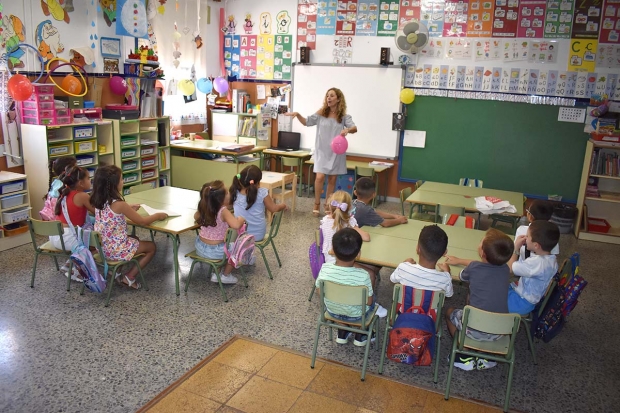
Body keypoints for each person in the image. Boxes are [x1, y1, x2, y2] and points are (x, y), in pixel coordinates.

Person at [444, 229, 514, 371]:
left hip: (473, 329)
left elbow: (463, 276)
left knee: (449, 312)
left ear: (482, 253)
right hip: (500, 331)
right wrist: (461, 260)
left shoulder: (474, 268)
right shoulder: (506, 269)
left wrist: (450, 268)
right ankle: (486, 356)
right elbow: (481, 265)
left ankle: (463, 353)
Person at [90, 165, 167, 290]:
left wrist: (128, 208)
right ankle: (129, 277)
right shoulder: (120, 204)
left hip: (102, 247)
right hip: (115, 249)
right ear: (114, 184)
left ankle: (116, 271)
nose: (123, 181)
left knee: (134, 237)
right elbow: (142, 221)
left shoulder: (98, 200)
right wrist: (157, 215)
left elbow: (111, 214)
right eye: (121, 179)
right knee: (152, 247)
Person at [285, 87, 357, 216]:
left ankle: (328, 204)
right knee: (320, 177)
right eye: (327, 96)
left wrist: (347, 130)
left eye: (332, 96)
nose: (328, 98)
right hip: (322, 151)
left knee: (332, 179)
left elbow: (354, 128)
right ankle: (317, 203)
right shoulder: (321, 113)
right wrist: (297, 115)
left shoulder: (343, 116)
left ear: (338, 99)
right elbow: (306, 122)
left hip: (336, 152)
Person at [315, 228, 376, 347]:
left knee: (341, 301)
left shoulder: (325, 269)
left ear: (333, 250)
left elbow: (319, 292)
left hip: (333, 313)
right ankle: (361, 333)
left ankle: (343, 331)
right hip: (357, 316)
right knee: (373, 298)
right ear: (358, 254)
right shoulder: (364, 275)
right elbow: (368, 302)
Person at [194, 180, 246, 285]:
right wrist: (241, 219)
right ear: (220, 198)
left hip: (200, 247)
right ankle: (225, 275)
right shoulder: (223, 211)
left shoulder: (204, 207)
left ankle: (215, 273)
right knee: (239, 248)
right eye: (227, 192)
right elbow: (236, 225)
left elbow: (196, 216)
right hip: (217, 252)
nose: (229, 194)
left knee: (223, 244)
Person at [48, 165, 95, 281]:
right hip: (68, 238)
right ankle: (75, 270)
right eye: (88, 178)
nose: (91, 180)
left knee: (91, 235)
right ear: (80, 183)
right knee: (98, 243)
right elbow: (98, 211)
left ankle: (69, 264)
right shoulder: (82, 196)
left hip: (55, 236)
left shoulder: (65, 192)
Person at [506, 220, 560, 315]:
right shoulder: (551, 259)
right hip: (527, 296)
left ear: (536, 245)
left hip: (521, 302)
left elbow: (510, 268)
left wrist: (516, 248)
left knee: (491, 299)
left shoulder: (536, 264)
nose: (525, 238)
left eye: (527, 236)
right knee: (497, 287)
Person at [390, 225, 453, 298]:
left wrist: (405, 263)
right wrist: (447, 273)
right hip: (429, 310)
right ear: (444, 253)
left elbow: (392, 279)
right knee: (450, 309)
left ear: (417, 249)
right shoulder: (445, 279)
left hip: (404, 309)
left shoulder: (403, 268)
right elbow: (449, 294)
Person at [230, 165, 287, 242]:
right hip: (258, 235)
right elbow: (274, 208)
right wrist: (283, 205)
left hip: (238, 236)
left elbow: (226, 206)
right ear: (257, 182)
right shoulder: (262, 193)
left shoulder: (234, 192)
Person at [40, 156, 77, 221]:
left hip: (52, 222)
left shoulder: (55, 183)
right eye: (75, 168)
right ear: (65, 171)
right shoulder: (66, 187)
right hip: (63, 222)